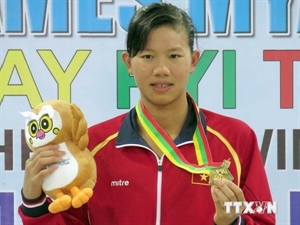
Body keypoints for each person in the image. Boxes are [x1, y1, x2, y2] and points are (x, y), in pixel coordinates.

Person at [18, 3, 275, 225]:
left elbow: (264, 215)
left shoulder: (236, 137)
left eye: (174, 55)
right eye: (148, 56)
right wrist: (34, 201)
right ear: (128, 63)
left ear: (194, 60)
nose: (161, 69)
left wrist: (233, 221)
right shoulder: (92, 146)